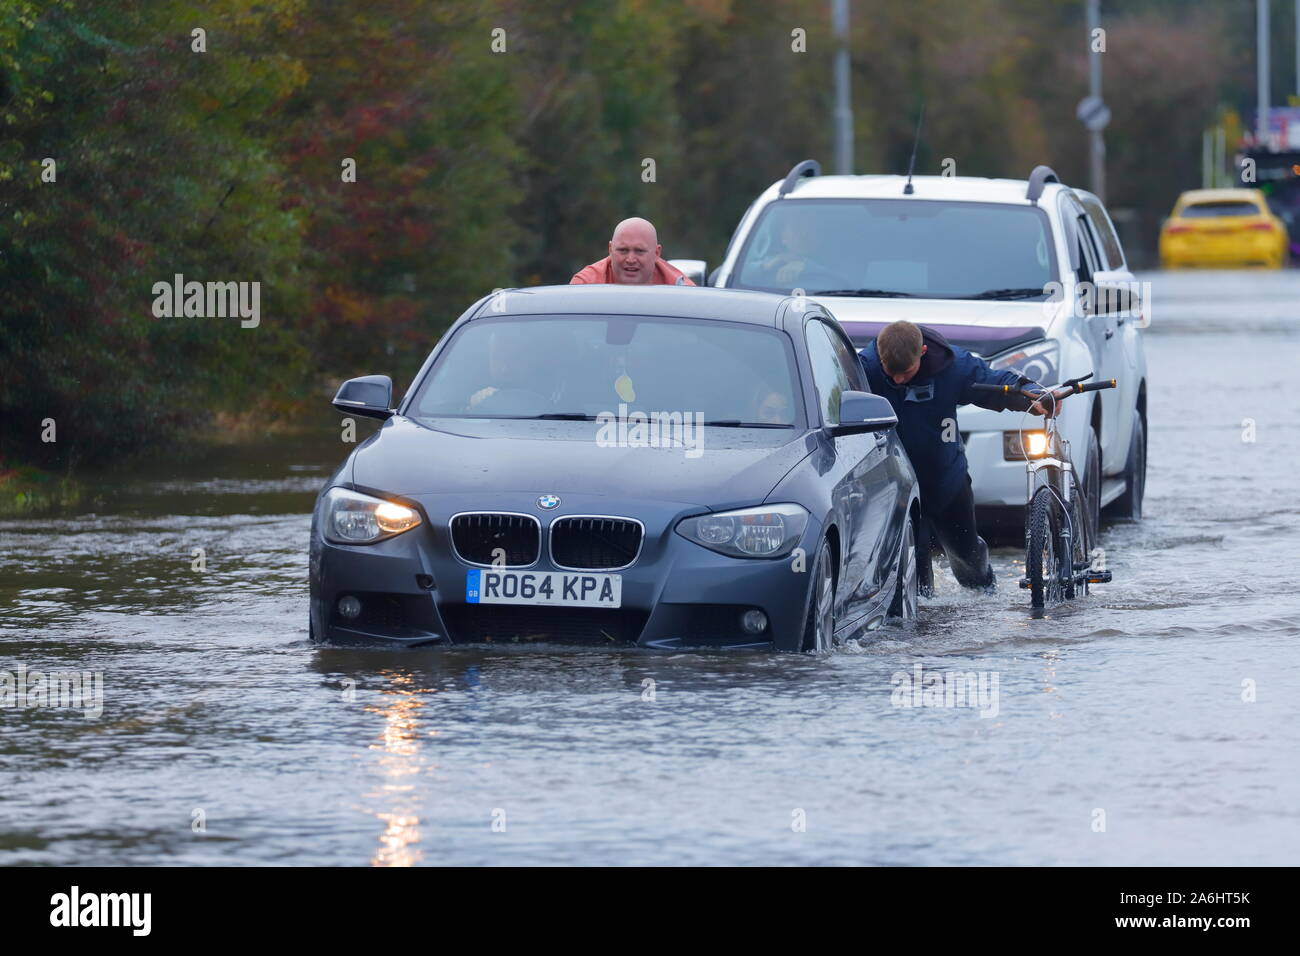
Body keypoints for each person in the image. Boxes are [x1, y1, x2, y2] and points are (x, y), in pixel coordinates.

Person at [858, 320, 1064, 592]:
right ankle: (917, 622)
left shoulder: (953, 367)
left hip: (947, 483)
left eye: (905, 373)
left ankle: (985, 593)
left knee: (968, 558)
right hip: (896, 490)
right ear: (880, 356)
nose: (897, 380)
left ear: (922, 352)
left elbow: (997, 383)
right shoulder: (862, 370)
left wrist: (1034, 396)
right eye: (890, 371)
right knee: (913, 568)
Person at [570, 217, 696, 286]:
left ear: (657, 253)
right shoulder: (585, 285)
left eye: (639, 251)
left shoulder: (680, 290)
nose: (630, 259)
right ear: (610, 249)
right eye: (623, 250)